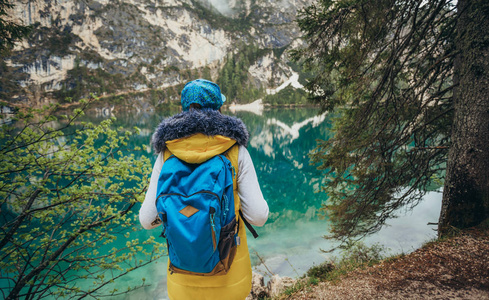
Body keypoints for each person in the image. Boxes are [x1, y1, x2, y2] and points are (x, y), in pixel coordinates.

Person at [139, 79, 269, 300]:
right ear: (219, 109)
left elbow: (147, 219)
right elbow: (258, 217)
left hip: (182, 284)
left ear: (183, 111)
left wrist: (182, 213)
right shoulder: (235, 150)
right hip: (230, 280)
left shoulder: (166, 154)